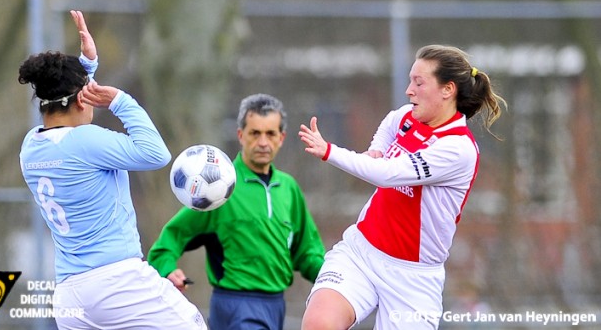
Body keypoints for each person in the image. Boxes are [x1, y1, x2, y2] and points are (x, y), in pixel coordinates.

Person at [18, 10, 207, 329]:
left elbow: (64, 102)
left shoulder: (30, 147)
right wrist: (121, 101)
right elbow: (156, 153)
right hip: (117, 283)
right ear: (82, 99)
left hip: (68, 294)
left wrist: (86, 64)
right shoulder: (87, 141)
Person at [298, 44, 507, 330]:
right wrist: (376, 149)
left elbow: (387, 174)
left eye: (419, 83)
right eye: (410, 80)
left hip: (413, 279)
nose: (409, 90)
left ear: (448, 90)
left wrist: (329, 151)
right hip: (362, 252)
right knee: (319, 324)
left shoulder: (458, 148)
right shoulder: (410, 117)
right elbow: (391, 121)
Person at [148, 93, 326, 330]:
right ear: (241, 135)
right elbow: (168, 242)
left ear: (281, 138)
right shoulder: (219, 189)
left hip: (276, 305)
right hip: (235, 304)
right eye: (255, 133)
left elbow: (307, 253)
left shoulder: (289, 188)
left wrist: (335, 279)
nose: (263, 142)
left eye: (270, 133)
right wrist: (168, 269)